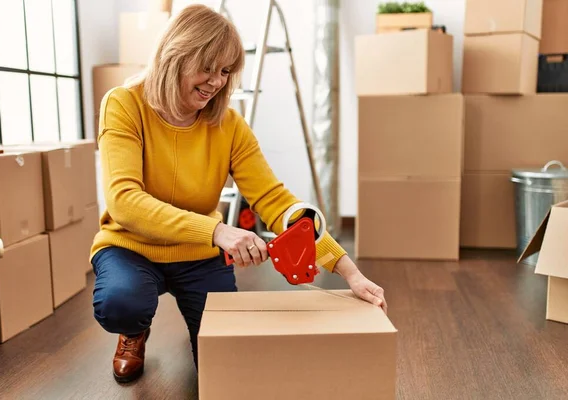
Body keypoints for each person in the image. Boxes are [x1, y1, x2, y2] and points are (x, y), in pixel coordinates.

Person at [90, 3, 387, 384]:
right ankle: (134, 330)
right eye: (207, 67)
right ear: (175, 55)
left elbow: (276, 201)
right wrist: (218, 232)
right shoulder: (124, 104)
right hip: (131, 247)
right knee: (122, 303)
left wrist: (349, 270)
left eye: (226, 71)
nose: (216, 81)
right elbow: (124, 201)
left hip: (197, 257)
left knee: (224, 362)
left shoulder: (229, 125)